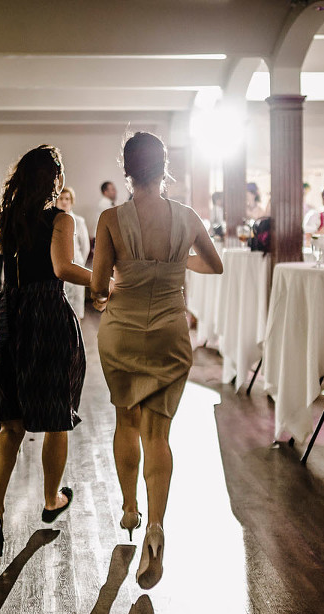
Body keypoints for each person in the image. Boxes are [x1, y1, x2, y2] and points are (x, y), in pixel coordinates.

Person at [90, 131, 223, 589]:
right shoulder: (186, 217)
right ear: (163, 167)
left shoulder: (111, 217)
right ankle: (156, 528)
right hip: (169, 332)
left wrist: (114, 287)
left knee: (125, 420)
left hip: (122, 332)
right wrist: (177, 263)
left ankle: (130, 507)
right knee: (159, 433)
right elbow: (215, 264)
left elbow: (98, 286)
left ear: (126, 170)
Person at [0, 145, 92, 558]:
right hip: (45, 318)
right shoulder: (61, 219)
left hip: (9, 314)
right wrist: (103, 280)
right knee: (56, 419)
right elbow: (62, 269)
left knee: (10, 427)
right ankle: (51, 498)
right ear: (55, 180)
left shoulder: (8, 219)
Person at [55, 185, 90, 320]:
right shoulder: (54, 220)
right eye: (61, 198)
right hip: (59, 269)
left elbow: (85, 246)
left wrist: (77, 262)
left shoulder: (79, 221)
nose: (64, 201)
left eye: (67, 199)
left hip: (75, 264)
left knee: (75, 311)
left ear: (71, 201)